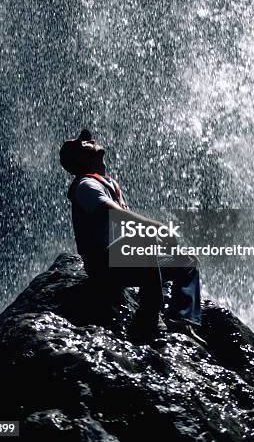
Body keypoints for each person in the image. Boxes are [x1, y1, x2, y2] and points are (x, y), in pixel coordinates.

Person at [60, 129, 206, 346]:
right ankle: (147, 316)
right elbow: (114, 215)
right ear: (79, 159)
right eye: (83, 143)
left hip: (123, 259)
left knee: (187, 263)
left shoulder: (106, 184)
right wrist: (157, 229)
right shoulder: (85, 186)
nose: (90, 139)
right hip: (103, 264)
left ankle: (183, 321)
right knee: (144, 239)